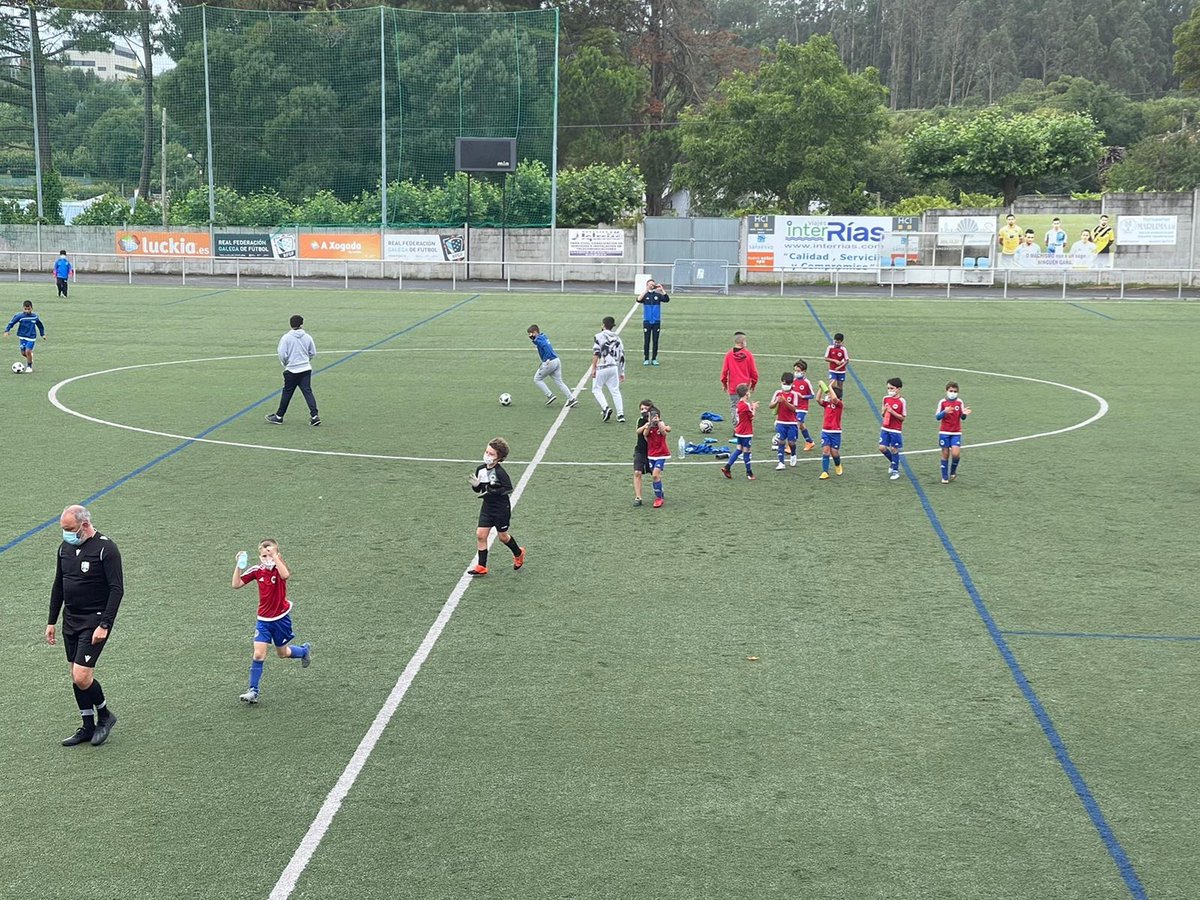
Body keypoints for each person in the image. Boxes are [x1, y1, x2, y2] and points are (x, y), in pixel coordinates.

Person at [46, 504, 124, 747]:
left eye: (70, 529)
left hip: (94, 620)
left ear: (85, 525)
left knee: (82, 676)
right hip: (71, 618)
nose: (66, 534)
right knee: (75, 675)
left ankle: (105, 716)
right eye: (63, 529)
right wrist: (52, 621)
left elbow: (116, 590)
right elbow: (59, 585)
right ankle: (87, 726)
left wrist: (105, 624)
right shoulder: (65, 548)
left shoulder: (106, 549)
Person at [231, 539, 312, 704]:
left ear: (277, 555)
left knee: (282, 653)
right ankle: (253, 691)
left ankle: (303, 651)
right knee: (259, 654)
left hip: (281, 619)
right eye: (263, 555)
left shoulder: (278, 568)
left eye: (270, 555)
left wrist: (276, 558)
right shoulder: (257, 570)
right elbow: (236, 584)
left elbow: (285, 575)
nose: (266, 558)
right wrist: (239, 566)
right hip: (263, 620)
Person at [467, 437, 525, 576]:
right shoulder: (480, 469)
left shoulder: (500, 472)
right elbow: (479, 489)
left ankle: (519, 553)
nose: (487, 455)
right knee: (481, 535)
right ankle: (482, 566)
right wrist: (476, 486)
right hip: (487, 508)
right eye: (487, 452)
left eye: (491, 454)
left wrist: (494, 490)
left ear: (499, 458)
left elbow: (508, 489)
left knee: (503, 537)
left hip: (501, 509)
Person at [266, 314, 320, 426]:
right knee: (307, 391)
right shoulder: (307, 337)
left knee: (287, 393)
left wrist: (286, 363)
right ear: (301, 324)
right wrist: (306, 360)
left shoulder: (286, 338)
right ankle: (315, 416)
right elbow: (313, 352)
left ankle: (279, 416)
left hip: (292, 370)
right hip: (305, 369)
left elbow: (282, 354)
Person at [527, 324, 578, 408]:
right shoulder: (543, 336)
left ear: (535, 332)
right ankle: (571, 399)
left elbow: (545, 347)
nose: (529, 336)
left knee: (537, 379)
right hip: (556, 360)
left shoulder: (539, 340)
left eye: (530, 334)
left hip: (549, 362)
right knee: (559, 382)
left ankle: (550, 395)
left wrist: (546, 360)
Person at [590, 315, 626, 423]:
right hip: (613, 367)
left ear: (603, 325)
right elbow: (622, 356)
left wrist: (593, 368)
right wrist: (622, 371)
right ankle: (620, 414)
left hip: (602, 366)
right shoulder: (617, 338)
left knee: (596, 389)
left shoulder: (598, 336)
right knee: (615, 390)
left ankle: (606, 408)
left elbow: (596, 353)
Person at [936, 381, 971, 484]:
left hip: (956, 432)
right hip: (944, 432)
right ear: (946, 391)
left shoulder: (959, 402)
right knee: (945, 453)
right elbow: (937, 417)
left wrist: (964, 414)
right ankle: (945, 476)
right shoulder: (942, 402)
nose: (953, 393)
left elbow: (962, 417)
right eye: (951, 391)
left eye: (955, 391)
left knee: (956, 454)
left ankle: (953, 471)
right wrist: (944, 412)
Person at [720, 383, 757, 481]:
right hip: (746, 432)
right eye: (748, 391)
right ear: (746, 394)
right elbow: (752, 417)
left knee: (738, 449)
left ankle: (727, 467)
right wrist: (754, 408)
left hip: (739, 431)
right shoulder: (746, 405)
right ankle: (749, 472)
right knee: (746, 452)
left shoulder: (738, 405)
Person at [719, 332, 758, 421]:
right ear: (742, 342)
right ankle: (743, 426)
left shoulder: (729, 355)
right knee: (744, 406)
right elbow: (754, 373)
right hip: (744, 387)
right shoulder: (748, 355)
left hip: (733, 387)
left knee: (734, 406)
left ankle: (736, 426)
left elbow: (724, 373)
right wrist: (753, 385)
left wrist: (725, 385)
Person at [641, 406, 672, 507]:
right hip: (651, 455)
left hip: (662, 454)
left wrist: (661, 425)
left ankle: (659, 498)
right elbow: (645, 434)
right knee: (655, 476)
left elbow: (665, 432)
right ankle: (660, 492)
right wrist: (649, 425)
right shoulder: (648, 426)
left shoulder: (661, 425)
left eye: (656, 416)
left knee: (655, 475)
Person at [769, 372, 800, 470]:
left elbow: (794, 409)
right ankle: (781, 462)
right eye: (784, 383)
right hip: (781, 422)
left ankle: (793, 454)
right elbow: (771, 406)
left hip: (791, 423)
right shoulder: (777, 393)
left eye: (788, 384)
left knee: (791, 443)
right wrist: (776, 402)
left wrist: (785, 402)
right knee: (781, 442)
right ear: (781, 382)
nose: (786, 386)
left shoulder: (794, 394)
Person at [4, 299, 45, 372]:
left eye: (28, 309)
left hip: (31, 337)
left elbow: (40, 325)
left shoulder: (34, 317)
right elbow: (12, 323)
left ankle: (29, 366)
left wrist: (42, 334)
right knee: (23, 353)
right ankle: (30, 357)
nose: (27, 311)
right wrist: (7, 330)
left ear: (32, 308)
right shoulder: (19, 316)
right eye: (25, 309)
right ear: (23, 308)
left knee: (28, 351)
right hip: (22, 337)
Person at [879, 377, 907, 481]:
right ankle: (894, 461)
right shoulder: (885, 398)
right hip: (885, 428)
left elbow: (902, 418)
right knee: (882, 448)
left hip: (895, 429)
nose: (889, 391)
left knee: (894, 449)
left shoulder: (902, 401)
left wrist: (892, 412)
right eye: (888, 388)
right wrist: (885, 411)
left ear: (898, 389)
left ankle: (896, 471)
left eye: (892, 388)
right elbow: (882, 413)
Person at [637, 279, 669, 366]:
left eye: (653, 284)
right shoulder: (645, 295)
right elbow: (638, 299)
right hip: (647, 321)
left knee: (655, 341)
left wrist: (662, 290)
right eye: (650, 284)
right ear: (647, 285)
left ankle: (654, 358)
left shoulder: (658, 295)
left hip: (656, 321)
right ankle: (646, 358)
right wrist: (646, 290)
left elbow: (666, 299)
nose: (652, 285)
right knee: (646, 341)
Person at [817, 382, 844, 480]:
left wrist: (829, 387)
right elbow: (817, 399)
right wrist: (820, 388)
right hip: (825, 431)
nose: (827, 396)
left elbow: (835, 399)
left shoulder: (839, 405)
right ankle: (825, 472)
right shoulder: (827, 404)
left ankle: (838, 464)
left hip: (835, 432)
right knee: (825, 451)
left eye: (829, 394)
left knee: (834, 452)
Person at [632, 399, 653, 507]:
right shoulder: (640, 420)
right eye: (641, 409)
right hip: (640, 451)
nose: (643, 411)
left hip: (653, 452)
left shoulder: (656, 421)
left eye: (646, 408)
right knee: (637, 472)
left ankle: (659, 491)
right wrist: (645, 426)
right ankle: (638, 497)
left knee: (655, 474)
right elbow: (638, 431)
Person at [792, 360, 817, 452]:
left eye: (798, 371)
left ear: (804, 371)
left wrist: (802, 396)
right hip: (794, 407)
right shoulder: (793, 381)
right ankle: (809, 441)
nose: (796, 373)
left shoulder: (806, 382)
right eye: (795, 370)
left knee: (796, 425)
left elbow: (812, 395)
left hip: (802, 408)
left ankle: (790, 445)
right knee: (801, 425)